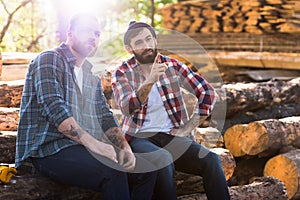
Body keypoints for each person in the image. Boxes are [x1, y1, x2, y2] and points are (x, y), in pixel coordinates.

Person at [15, 14, 156, 200]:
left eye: (96, 33)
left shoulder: (91, 76)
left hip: (79, 149)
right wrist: (97, 146)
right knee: (112, 172)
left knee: (147, 170)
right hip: (46, 150)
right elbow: (54, 108)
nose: (93, 37)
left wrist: (124, 148)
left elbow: (105, 117)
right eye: (86, 30)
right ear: (70, 33)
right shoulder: (49, 59)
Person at [112, 21, 231, 200]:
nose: (146, 46)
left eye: (148, 39)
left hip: (172, 135)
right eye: (139, 43)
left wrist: (188, 127)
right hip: (139, 138)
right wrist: (150, 80)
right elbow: (128, 107)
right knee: (163, 159)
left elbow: (207, 93)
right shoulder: (121, 72)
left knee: (212, 160)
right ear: (129, 48)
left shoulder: (172, 66)